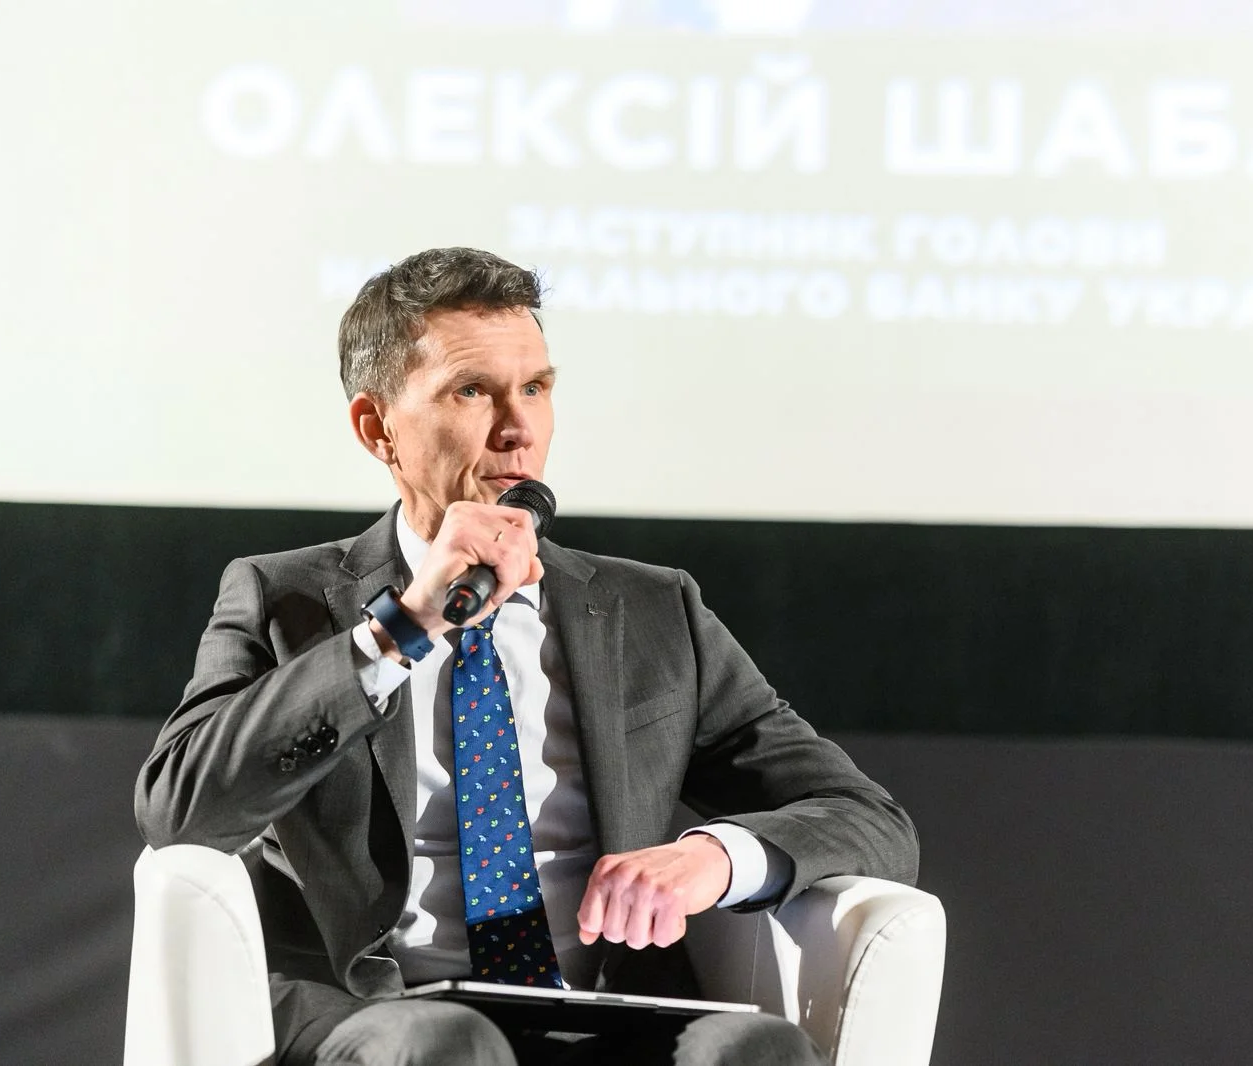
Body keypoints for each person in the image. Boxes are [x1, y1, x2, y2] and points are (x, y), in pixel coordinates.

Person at [134, 247, 919, 1065]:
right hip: (376, 1015)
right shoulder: (284, 597)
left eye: (536, 389)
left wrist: (713, 857)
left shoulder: (653, 610)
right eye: (472, 391)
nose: (518, 429)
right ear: (378, 429)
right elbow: (180, 809)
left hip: (606, 1014)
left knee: (758, 1049)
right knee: (451, 1044)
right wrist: (402, 627)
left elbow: (868, 817)